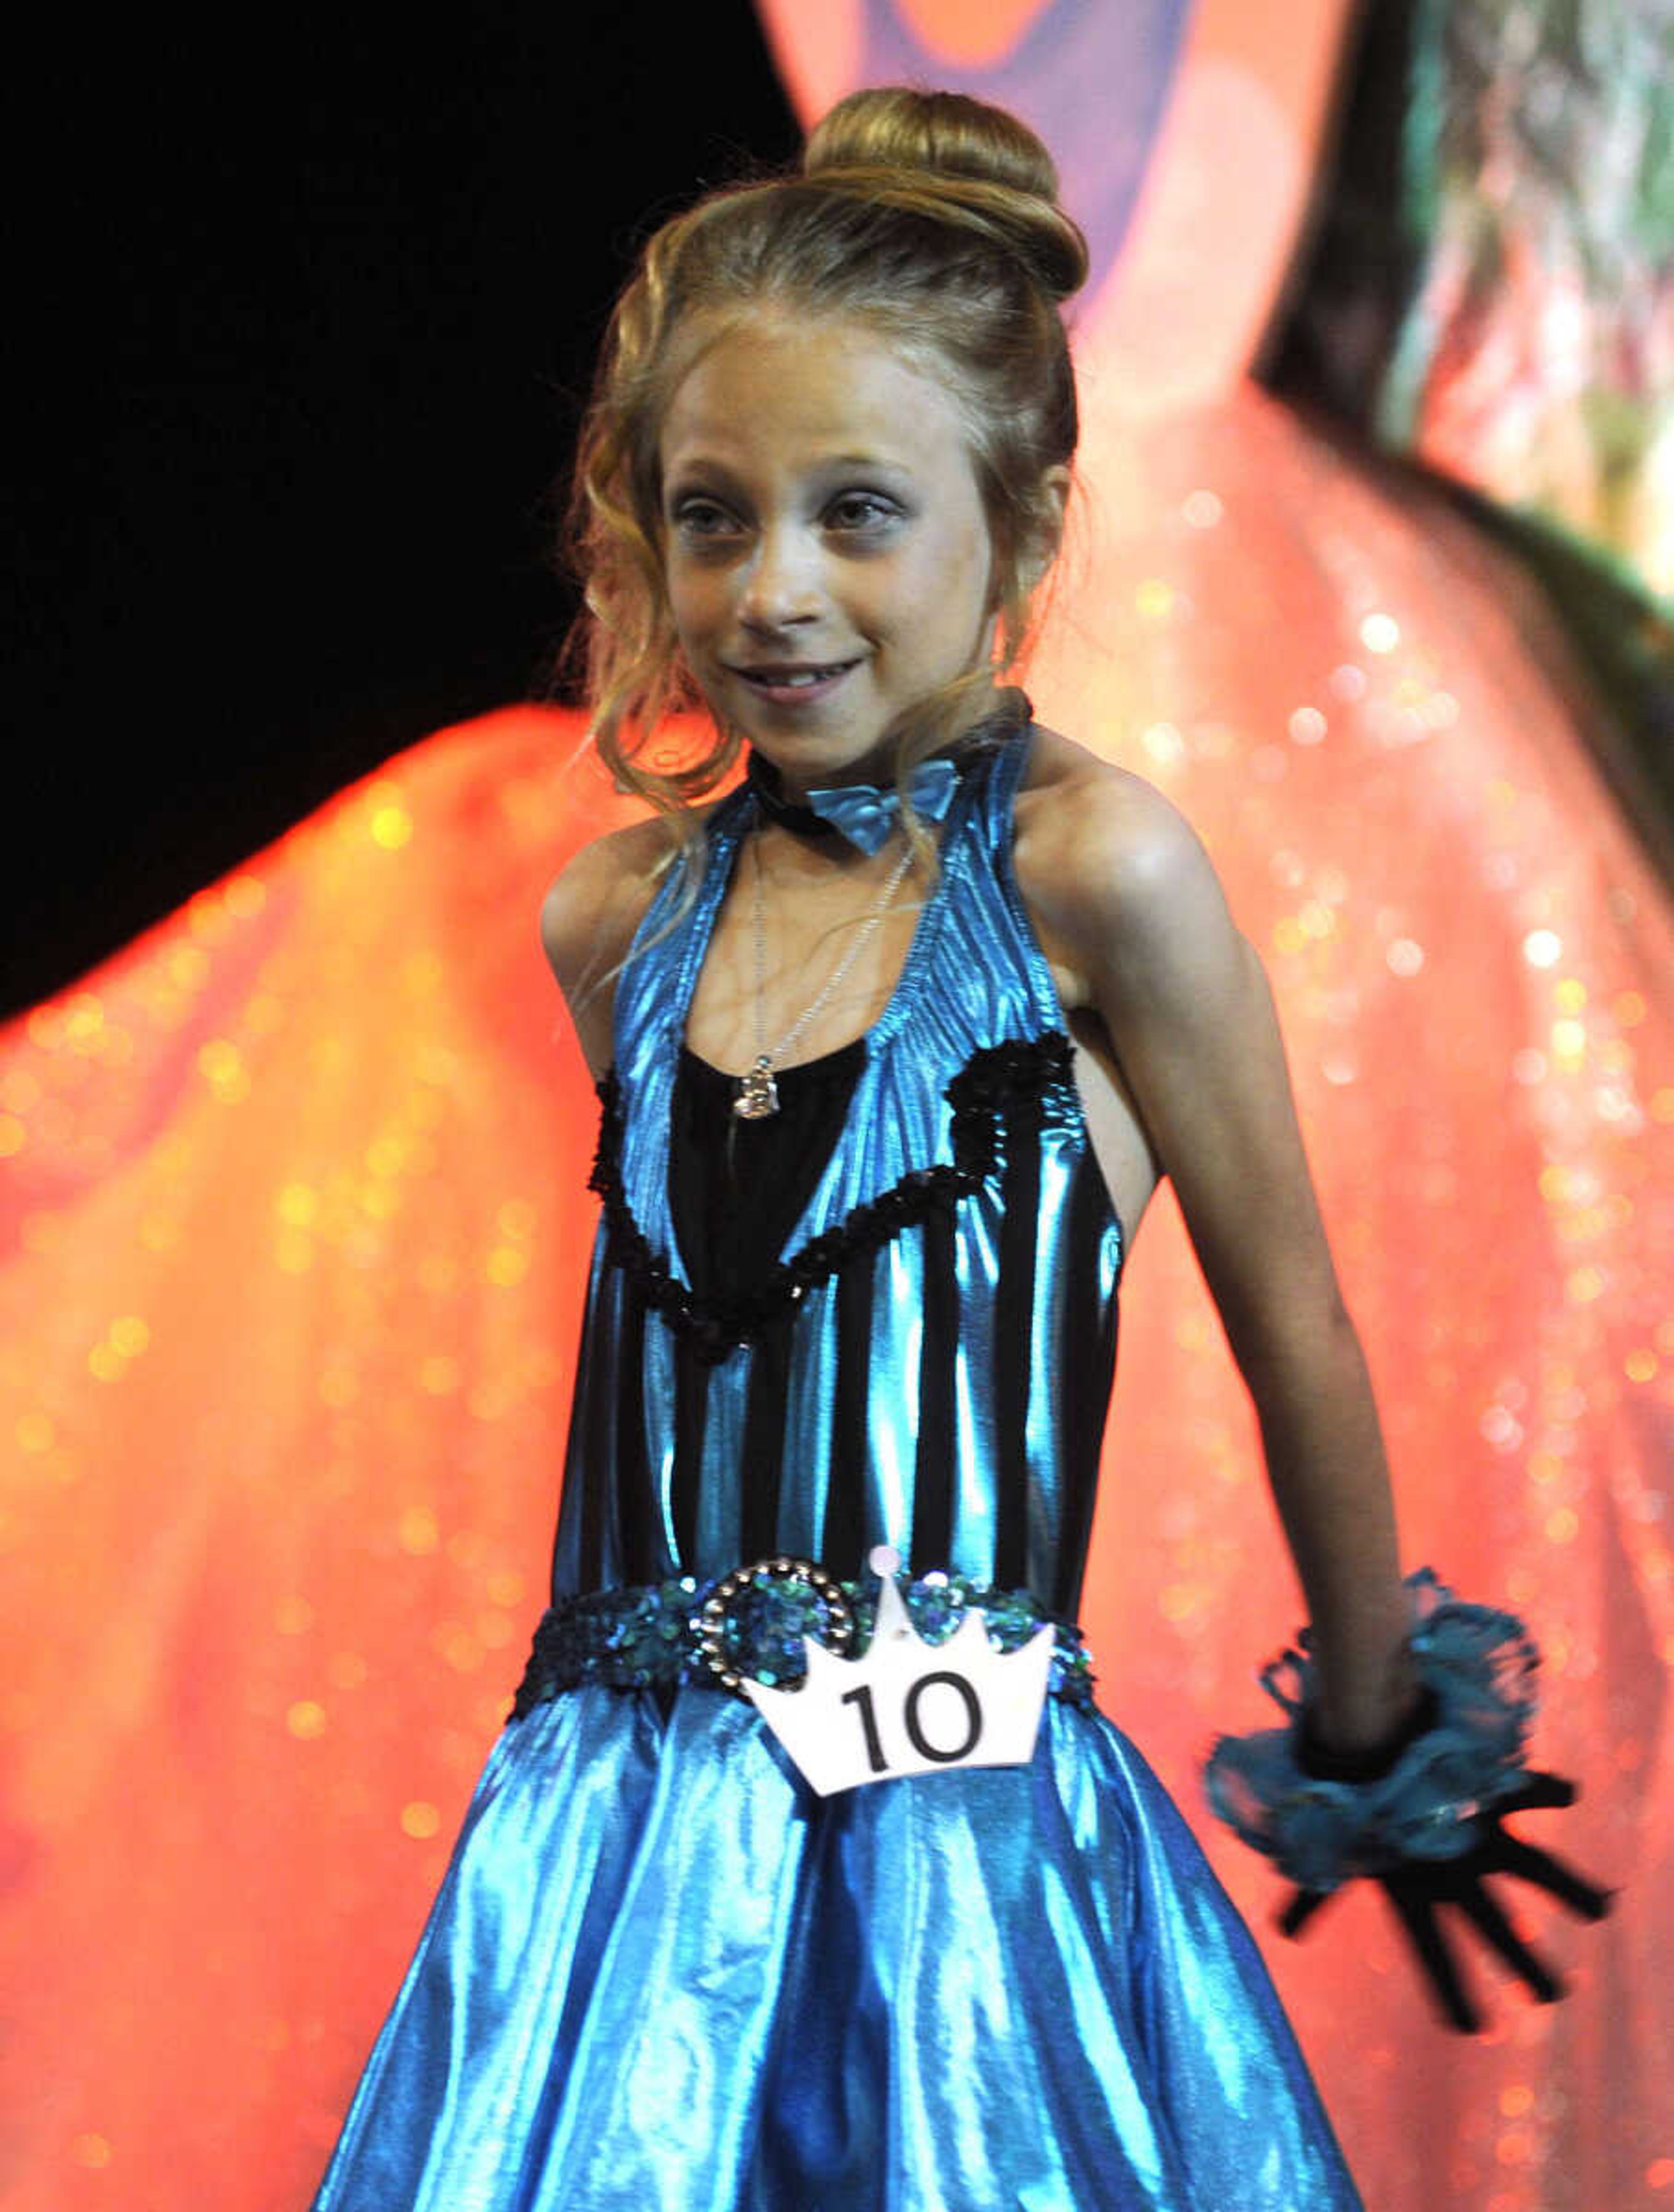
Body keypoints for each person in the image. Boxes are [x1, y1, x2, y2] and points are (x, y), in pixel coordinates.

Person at [309, 86, 1604, 2212]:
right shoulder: (614, 923)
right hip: (604, 1894)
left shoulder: (1101, 876)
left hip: (962, 1865)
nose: (775, 589)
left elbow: (1302, 1331)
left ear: (1018, 522)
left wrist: (1379, 1733)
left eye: (858, 513)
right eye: (713, 516)